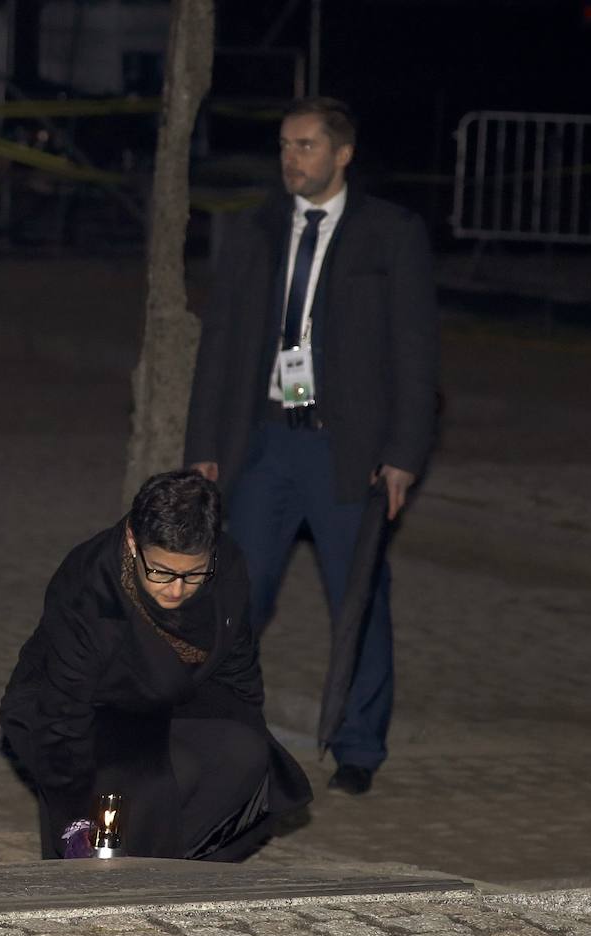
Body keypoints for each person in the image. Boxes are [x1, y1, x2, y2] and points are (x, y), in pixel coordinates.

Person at [183, 97, 439, 796]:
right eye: (285, 146)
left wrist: (404, 454)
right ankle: (219, 728)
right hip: (265, 443)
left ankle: (358, 745)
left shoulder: (390, 233)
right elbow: (220, 347)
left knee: (357, 596)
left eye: (304, 146)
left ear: (342, 153)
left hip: (345, 451)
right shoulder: (255, 231)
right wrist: (204, 445)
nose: (291, 159)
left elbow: (415, 355)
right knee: (238, 593)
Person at [0, 470, 311, 861]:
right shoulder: (89, 587)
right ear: (133, 541)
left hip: (166, 697)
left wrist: (249, 724)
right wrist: (77, 821)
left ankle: (174, 867)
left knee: (245, 754)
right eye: (161, 572)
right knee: (160, 778)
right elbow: (62, 710)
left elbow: (238, 664)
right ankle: (122, 872)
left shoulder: (226, 564)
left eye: (193, 574)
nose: (177, 589)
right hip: (87, 710)